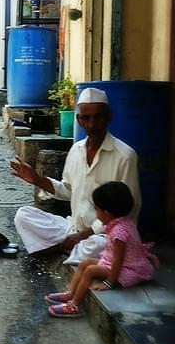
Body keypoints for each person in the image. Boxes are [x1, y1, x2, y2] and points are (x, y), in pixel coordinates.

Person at [10, 87, 140, 259]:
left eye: (97, 117)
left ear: (108, 117)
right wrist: (37, 180)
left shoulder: (125, 155)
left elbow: (128, 210)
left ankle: (63, 248)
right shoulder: (76, 150)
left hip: (106, 235)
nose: (92, 124)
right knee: (23, 216)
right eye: (86, 118)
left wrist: (87, 234)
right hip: (73, 227)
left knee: (99, 246)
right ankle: (70, 248)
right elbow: (68, 190)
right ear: (79, 120)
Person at [46, 181, 158, 318]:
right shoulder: (120, 223)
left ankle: (74, 305)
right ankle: (70, 293)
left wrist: (108, 282)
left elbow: (118, 259)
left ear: (106, 213)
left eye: (97, 209)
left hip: (128, 270)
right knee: (85, 263)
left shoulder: (119, 232)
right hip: (117, 264)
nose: (96, 213)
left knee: (90, 270)